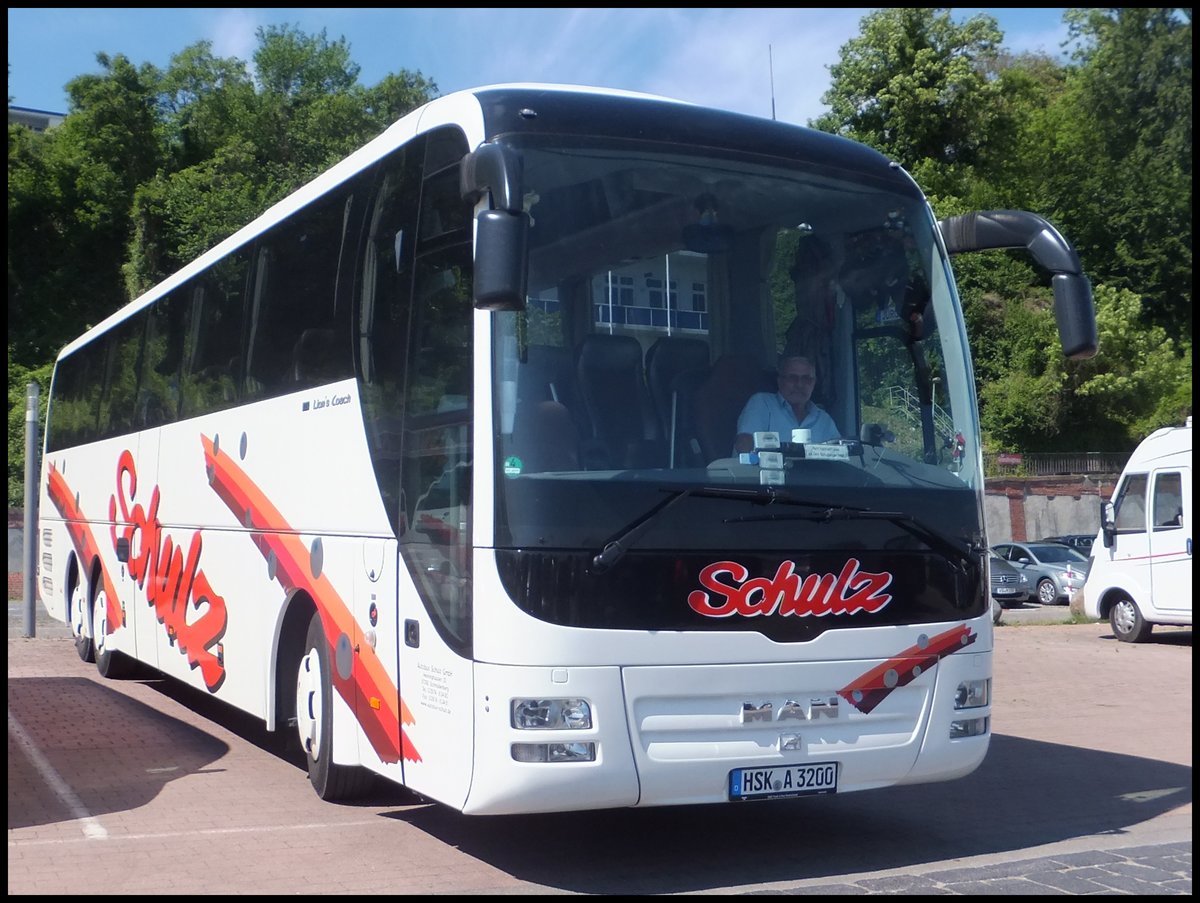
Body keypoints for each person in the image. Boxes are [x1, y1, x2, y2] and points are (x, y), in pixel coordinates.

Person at [733, 354, 839, 453]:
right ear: (780, 381)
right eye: (792, 378)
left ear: (813, 383)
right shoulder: (762, 403)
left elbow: (841, 456)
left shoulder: (823, 419)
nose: (799, 385)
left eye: (806, 379)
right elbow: (744, 447)